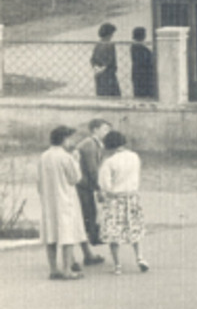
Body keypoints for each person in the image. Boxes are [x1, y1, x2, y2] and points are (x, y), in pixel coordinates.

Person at [37, 126, 87, 280]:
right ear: (64, 139)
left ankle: (53, 269)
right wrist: (76, 161)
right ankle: (67, 270)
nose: (71, 142)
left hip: (49, 200)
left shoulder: (44, 156)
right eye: (70, 138)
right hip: (65, 199)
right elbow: (74, 178)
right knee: (67, 234)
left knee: (51, 234)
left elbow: (38, 181)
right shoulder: (66, 157)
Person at [97, 130, 148, 276]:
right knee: (134, 228)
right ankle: (140, 258)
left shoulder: (109, 162)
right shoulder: (134, 156)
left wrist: (103, 194)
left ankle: (118, 265)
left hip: (115, 199)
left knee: (114, 232)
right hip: (132, 198)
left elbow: (105, 185)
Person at [74, 118, 111, 267]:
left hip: (84, 187)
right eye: (104, 129)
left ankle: (88, 252)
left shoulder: (94, 144)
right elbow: (92, 169)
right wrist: (100, 189)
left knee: (86, 218)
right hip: (82, 188)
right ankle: (78, 256)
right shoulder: (89, 144)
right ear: (95, 130)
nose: (107, 133)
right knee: (83, 219)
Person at [91, 23, 121, 97]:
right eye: (111, 34)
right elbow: (110, 60)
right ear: (108, 34)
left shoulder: (98, 44)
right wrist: (103, 68)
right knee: (113, 94)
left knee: (101, 93)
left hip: (99, 73)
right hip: (108, 73)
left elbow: (92, 59)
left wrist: (96, 68)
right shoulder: (110, 44)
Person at [130, 27, 156, 99]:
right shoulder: (139, 47)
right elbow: (145, 61)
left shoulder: (135, 46)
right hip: (143, 74)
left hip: (138, 73)